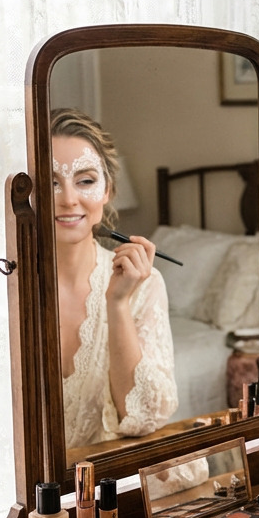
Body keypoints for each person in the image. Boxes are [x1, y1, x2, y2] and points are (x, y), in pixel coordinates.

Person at [51, 107, 178, 447]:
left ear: (107, 190)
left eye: (86, 180)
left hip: (112, 488)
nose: (68, 199)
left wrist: (118, 302)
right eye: (51, 182)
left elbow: (145, 417)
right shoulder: (2, 290)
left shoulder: (146, 284)